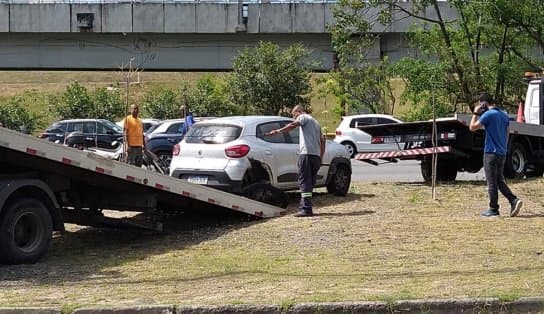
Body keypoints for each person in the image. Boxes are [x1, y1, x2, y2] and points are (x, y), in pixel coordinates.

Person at [469, 92, 523, 217]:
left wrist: (475, 113)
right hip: (501, 152)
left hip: (490, 152)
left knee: (491, 181)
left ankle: (493, 209)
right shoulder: (504, 115)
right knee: (499, 180)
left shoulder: (488, 114)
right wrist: (503, 147)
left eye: (480, 104)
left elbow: (472, 127)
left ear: (483, 103)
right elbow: (507, 132)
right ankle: (513, 200)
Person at [267, 105, 326, 217]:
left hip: (306, 154)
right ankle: (306, 206)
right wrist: (321, 157)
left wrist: (278, 131)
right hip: (316, 157)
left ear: (299, 112)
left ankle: (306, 209)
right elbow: (323, 141)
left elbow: (293, 125)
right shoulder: (316, 123)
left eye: (294, 115)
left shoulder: (303, 117)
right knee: (310, 183)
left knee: (304, 182)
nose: (294, 118)